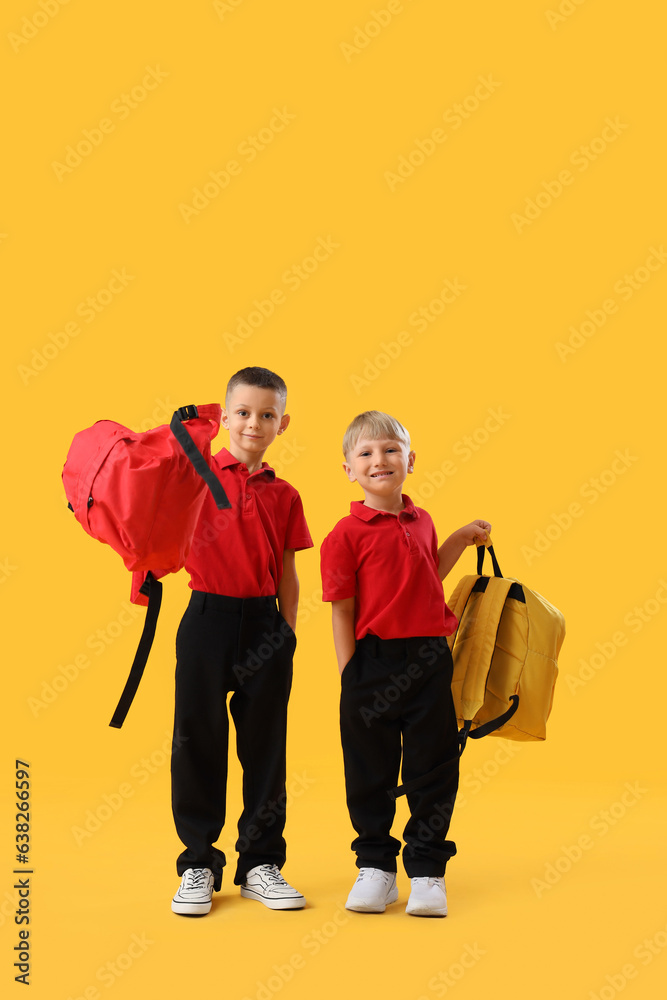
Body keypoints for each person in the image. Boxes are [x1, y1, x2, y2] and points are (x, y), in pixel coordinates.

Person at [320, 410, 491, 917]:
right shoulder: (344, 535)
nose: (380, 460)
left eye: (391, 449)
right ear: (349, 469)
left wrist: (457, 538)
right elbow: (342, 609)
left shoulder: (423, 521)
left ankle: (427, 871)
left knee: (433, 765)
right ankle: (375, 865)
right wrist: (350, 674)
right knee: (368, 767)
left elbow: (426, 580)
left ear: (410, 461)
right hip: (371, 663)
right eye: (366, 453)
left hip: (428, 658)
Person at [170, 367, 312, 916]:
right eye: (244, 412)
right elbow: (155, 474)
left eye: (268, 414)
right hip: (206, 618)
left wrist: (288, 633)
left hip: (265, 624)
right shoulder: (197, 475)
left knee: (265, 749)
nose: (255, 423)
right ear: (225, 416)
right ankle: (199, 863)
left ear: (283, 423)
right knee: (196, 743)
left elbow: (288, 569)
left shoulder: (285, 494)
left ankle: (259, 864)